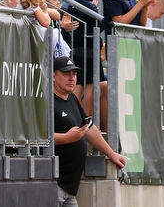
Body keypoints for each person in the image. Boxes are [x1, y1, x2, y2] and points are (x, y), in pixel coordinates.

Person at [53, 56, 125, 206]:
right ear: (53, 76)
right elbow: (38, 137)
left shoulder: (72, 99)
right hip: (53, 184)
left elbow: (89, 129)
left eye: (74, 74)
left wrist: (112, 154)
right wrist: (67, 138)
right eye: (66, 74)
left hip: (70, 188)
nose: (71, 78)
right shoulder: (47, 101)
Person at [66, 0, 107, 132]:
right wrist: (95, 7)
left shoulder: (71, 4)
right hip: (89, 52)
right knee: (90, 85)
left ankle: (72, 114)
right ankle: (85, 118)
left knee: (79, 85)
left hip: (77, 50)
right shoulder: (88, 5)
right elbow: (102, 24)